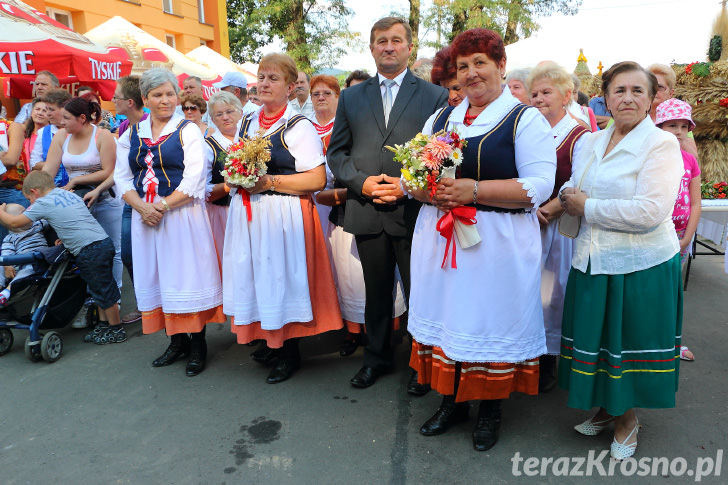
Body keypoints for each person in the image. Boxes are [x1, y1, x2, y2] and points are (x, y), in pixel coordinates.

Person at [405, 28, 555, 452]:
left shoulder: (523, 119)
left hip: (496, 243)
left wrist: (473, 190)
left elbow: (539, 186)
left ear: (501, 67)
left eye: (480, 64)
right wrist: (421, 189)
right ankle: (451, 401)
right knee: (450, 317)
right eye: (463, 66)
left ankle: (489, 410)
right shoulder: (440, 119)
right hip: (442, 238)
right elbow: (411, 177)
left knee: (488, 319)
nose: (471, 74)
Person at [559, 61, 683, 460]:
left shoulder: (661, 145)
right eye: (619, 90)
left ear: (651, 99)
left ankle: (627, 419)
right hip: (594, 259)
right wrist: (565, 197)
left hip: (640, 266)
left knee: (627, 345)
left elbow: (649, 211)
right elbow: (576, 186)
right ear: (606, 97)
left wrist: (587, 206)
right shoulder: (591, 142)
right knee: (600, 345)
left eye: (637, 91)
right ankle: (608, 408)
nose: (627, 98)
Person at [327, 16, 449, 390]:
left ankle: (420, 365)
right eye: (381, 41)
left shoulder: (434, 96)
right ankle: (376, 358)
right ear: (372, 47)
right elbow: (337, 153)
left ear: (410, 48)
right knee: (375, 292)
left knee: (419, 292)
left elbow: (441, 154)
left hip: (413, 211)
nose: (389, 46)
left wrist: (407, 184)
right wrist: (362, 183)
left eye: (396, 40)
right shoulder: (351, 96)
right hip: (366, 209)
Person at [223, 53, 342, 384]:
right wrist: (235, 176)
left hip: (282, 212)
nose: (264, 83)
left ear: (291, 88)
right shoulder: (247, 121)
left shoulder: (298, 126)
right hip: (250, 212)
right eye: (261, 77)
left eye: (273, 78)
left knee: (281, 278)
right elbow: (236, 162)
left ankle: (289, 352)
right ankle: (270, 340)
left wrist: (270, 182)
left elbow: (317, 179)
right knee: (259, 276)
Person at [114, 67, 224, 377]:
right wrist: (141, 207)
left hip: (181, 217)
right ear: (145, 98)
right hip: (145, 220)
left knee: (187, 276)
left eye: (170, 94)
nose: (166, 100)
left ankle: (198, 343)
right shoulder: (131, 133)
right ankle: (176, 342)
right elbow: (121, 179)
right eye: (158, 95)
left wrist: (160, 206)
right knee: (158, 277)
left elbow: (194, 179)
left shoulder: (187, 130)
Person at [0, 171, 124, 344]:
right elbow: (72, 219)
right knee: (98, 290)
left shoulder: (43, 202)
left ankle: (116, 329)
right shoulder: (66, 193)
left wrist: (1, 211)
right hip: (99, 243)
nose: (30, 204)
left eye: (29, 199)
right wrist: (65, 239)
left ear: (35, 192)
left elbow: (14, 223)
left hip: (89, 249)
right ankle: (104, 325)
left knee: (104, 291)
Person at [527, 61, 590, 392]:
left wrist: (546, 211)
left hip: (555, 227)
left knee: (550, 293)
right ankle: (525, 355)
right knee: (526, 290)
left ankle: (548, 359)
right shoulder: (528, 130)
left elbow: (577, 180)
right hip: (525, 224)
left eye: (546, 92)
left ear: (567, 95)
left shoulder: (579, 134)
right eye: (534, 93)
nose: (538, 98)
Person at [42, 94, 123, 296]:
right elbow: (48, 173)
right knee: (84, 251)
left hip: (106, 198)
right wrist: (37, 192)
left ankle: (115, 297)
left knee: (112, 250)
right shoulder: (61, 136)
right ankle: (92, 299)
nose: (62, 122)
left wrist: (76, 181)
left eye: (67, 118)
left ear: (82, 118)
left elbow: (108, 171)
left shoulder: (102, 136)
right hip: (77, 202)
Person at [656, 98, 700, 362]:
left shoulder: (690, 161)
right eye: (672, 125)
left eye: (684, 126)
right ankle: (651, 341)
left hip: (680, 240)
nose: (679, 131)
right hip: (654, 239)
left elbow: (696, 203)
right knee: (652, 291)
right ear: (659, 126)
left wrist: (687, 238)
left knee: (673, 292)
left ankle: (673, 341)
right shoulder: (650, 159)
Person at [111, 75, 146, 325]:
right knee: (129, 255)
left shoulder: (149, 124)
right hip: (129, 198)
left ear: (130, 102)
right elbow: (119, 169)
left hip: (150, 197)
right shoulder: (124, 128)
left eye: (116, 97)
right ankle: (145, 305)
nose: (113, 100)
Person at [203, 90, 243, 260]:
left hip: (253, 211)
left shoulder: (249, 140)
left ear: (240, 113)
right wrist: (229, 185)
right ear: (212, 120)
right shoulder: (207, 147)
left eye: (229, 111)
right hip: (222, 214)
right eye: (219, 114)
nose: (225, 117)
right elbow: (202, 190)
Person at [647, 64, 698, 159]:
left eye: (660, 87)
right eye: (650, 86)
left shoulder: (679, 117)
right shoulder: (632, 115)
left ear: (670, 93)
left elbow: (693, 157)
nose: (653, 90)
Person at [0, 204, 48, 306]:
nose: (28, 214)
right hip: (17, 265)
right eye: (23, 213)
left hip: (35, 263)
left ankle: (6, 292)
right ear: (12, 222)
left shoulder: (37, 225)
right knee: (0, 267)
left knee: (27, 270)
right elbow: (6, 253)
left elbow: (51, 218)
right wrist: (7, 266)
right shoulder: (10, 238)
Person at [29, 88, 72, 173]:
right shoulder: (43, 132)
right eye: (47, 109)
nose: (48, 113)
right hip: (52, 183)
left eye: (51, 109)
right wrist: (54, 164)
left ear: (65, 109)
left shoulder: (77, 130)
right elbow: (34, 163)